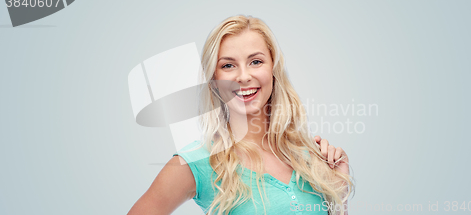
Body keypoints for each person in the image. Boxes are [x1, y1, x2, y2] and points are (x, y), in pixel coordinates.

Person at [128, 15, 354, 215]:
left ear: (273, 70)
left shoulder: (309, 157)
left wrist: (338, 193)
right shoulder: (195, 163)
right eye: (228, 65)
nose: (243, 76)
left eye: (256, 62)